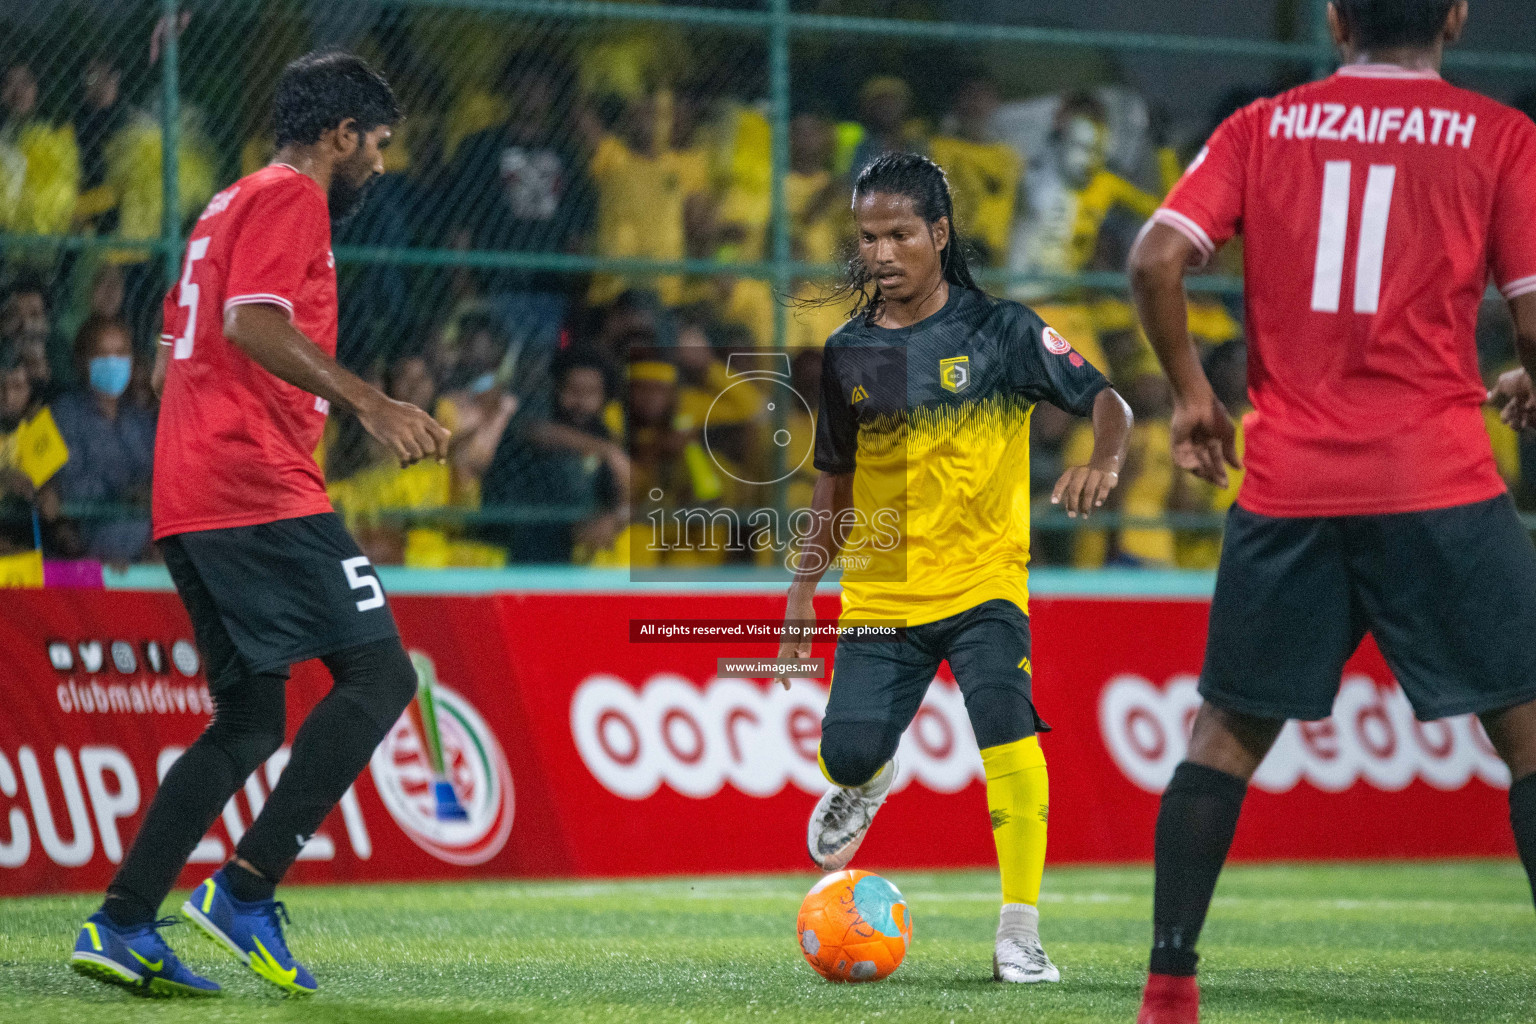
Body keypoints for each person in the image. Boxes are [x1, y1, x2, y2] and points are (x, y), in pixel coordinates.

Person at [1127, 3, 1536, 1022]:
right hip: (1438, 476)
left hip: (1291, 482)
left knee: (1222, 738)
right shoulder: (1499, 135)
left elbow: (1153, 259)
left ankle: (1169, 986)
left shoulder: (1263, 126)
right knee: (1530, 741)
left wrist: (1190, 393)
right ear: (1456, 17)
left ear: (1335, 17)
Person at [68, 51, 448, 998]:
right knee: (380, 672)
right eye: (378, 145)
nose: (382, 166)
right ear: (339, 135)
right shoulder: (292, 199)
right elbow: (249, 323)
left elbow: (167, 355)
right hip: (256, 490)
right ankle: (244, 889)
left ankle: (120, 924)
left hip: (190, 492)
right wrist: (367, 402)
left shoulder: (222, 204)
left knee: (246, 720)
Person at [771, 153, 1132, 984]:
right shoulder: (849, 351)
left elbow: (1109, 401)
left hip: (984, 585)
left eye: (901, 233)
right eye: (869, 237)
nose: (884, 252)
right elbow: (836, 481)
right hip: (882, 589)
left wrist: (1104, 463)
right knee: (848, 752)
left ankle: (1019, 931)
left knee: (1007, 728)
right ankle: (866, 782)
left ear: (940, 232)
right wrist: (801, 590)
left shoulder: (1002, 330)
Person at [49, 315, 155, 564]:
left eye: (120, 353)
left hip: (143, 556)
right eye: (102, 354)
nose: (113, 362)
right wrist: (127, 494)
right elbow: (70, 486)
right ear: (82, 361)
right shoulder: (64, 415)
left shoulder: (140, 421)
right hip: (87, 555)